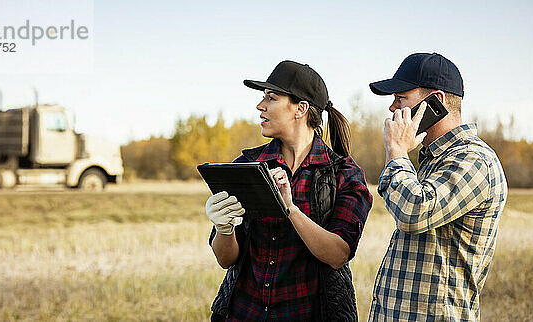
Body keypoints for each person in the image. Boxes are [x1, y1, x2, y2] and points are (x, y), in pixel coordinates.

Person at [205, 60, 373, 321]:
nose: (260, 106)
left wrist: (290, 209)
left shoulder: (345, 175)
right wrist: (224, 229)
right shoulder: (246, 167)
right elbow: (226, 259)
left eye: (271, 98)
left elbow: (338, 254)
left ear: (301, 108)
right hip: (242, 313)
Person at [368, 53, 508, 321]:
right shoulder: (434, 159)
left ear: (437, 102)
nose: (392, 108)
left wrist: (397, 152)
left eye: (401, 98)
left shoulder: (474, 160)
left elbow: (413, 212)